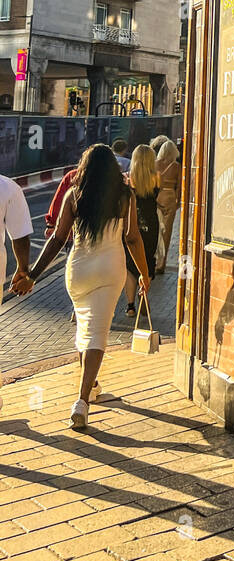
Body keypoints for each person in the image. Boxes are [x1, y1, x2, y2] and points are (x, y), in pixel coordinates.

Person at [19, 144, 151, 430]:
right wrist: (144, 272)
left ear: (86, 168)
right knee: (97, 334)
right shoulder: (125, 196)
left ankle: (90, 387)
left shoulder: (73, 195)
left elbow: (56, 239)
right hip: (109, 269)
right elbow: (132, 238)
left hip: (77, 270)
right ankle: (81, 401)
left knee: (84, 330)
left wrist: (33, 274)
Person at [124, 144, 159, 315]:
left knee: (130, 264)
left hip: (133, 221)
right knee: (147, 259)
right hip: (151, 223)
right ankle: (144, 296)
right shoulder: (156, 177)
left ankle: (130, 306)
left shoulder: (128, 178)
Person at [150, 136, 180, 272]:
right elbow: (179, 186)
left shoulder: (154, 164)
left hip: (157, 197)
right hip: (169, 197)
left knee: (155, 230)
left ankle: (152, 260)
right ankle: (162, 263)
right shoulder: (176, 166)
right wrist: (178, 201)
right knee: (166, 232)